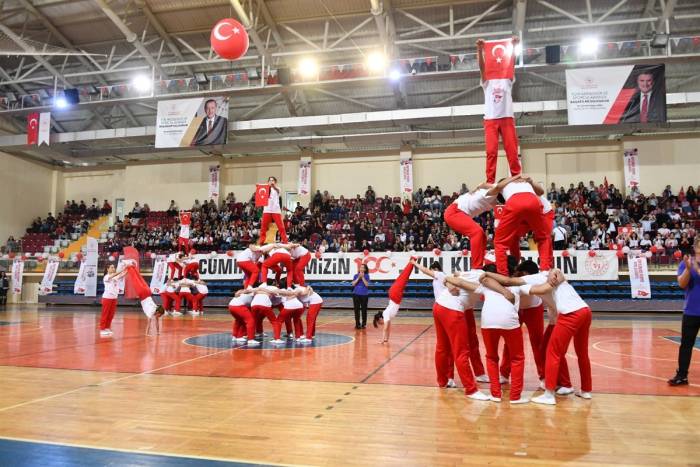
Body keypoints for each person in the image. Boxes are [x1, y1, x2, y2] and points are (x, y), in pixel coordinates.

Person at [520, 269, 592, 405]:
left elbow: (512, 281)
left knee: (552, 353)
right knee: (582, 354)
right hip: (585, 310)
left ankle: (549, 394)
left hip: (569, 314)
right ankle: (586, 390)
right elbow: (556, 270)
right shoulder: (555, 275)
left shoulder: (538, 279)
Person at [411, 259, 489, 384]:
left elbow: (428, 271)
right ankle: (450, 377)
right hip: (448, 307)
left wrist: (414, 263)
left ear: (435, 269)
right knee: (451, 347)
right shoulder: (448, 276)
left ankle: (477, 374)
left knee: (469, 343)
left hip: (460, 306)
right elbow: (456, 276)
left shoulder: (441, 275)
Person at [475, 266, 529, 404]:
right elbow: (539, 289)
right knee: (517, 358)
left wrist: (449, 279)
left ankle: (495, 394)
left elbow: (472, 281)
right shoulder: (517, 284)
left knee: (491, 357)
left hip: (488, 321)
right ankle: (515, 396)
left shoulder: (486, 284)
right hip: (509, 321)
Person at [432, 275, 490, 401]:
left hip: (439, 305)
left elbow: (446, 277)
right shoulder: (485, 279)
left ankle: (443, 381)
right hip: (453, 309)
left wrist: (449, 283)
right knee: (461, 351)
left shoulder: (468, 272)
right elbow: (455, 280)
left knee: (442, 347)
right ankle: (471, 389)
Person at [476, 36, 521, 183]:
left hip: (507, 117)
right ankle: (490, 181)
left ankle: (516, 177)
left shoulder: (507, 79)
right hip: (490, 119)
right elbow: (482, 67)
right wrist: (480, 49)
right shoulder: (487, 81)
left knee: (512, 151)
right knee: (491, 152)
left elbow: (511, 64)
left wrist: (513, 47)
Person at [443, 177, 514, 270]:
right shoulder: (491, 193)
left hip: (458, 212)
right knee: (477, 232)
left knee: (482, 236)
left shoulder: (492, 197)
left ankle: (482, 262)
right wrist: (515, 179)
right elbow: (498, 186)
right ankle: (476, 267)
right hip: (454, 212)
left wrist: (477, 188)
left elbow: (482, 184)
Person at [494, 175, 551, 276]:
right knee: (515, 236)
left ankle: (503, 275)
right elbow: (541, 192)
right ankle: (541, 270)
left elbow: (491, 189)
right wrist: (531, 181)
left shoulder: (507, 185)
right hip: (534, 206)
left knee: (500, 241)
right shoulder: (523, 181)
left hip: (544, 212)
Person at [669, 239, 700, 386]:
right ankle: (682, 375)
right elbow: (682, 284)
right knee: (686, 345)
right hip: (691, 311)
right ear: (695, 247)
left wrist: (697, 269)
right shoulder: (686, 263)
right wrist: (688, 269)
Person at [372, 258, 417, 343]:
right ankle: (413, 261)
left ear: (380, 319)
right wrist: (386, 339)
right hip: (395, 295)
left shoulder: (385, 315)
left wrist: (381, 340)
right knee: (404, 277)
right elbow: (388, 328)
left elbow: (385, 328)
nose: (382, 324)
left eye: (379, 323)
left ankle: (413, 260)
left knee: (404, 276)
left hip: (394, 295)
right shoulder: (386, 315)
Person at [123, 262, 165, 335]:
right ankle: (128, 267)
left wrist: (158, 332)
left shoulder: (156, 307)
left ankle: (132, 267)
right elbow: (149, 324)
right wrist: (146, 334)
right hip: (142, 294)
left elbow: (157, 323)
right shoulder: (151, 312)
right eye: (160, 315)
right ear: (158, 313)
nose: (159, 317)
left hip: (148, 292)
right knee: (134, 279)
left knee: (139, 278)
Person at [99, 264, 128, 338]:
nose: (113, 268)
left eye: (114, 267)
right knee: (105, 314)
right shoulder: (106, 277)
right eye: (111, 267)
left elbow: (123, 274)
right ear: (107, 269)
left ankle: (107, 328)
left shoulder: (115, 277)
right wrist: (121, 270)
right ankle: (102, 329)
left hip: (114, 298)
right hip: (107, 298)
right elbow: (115, 275)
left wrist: (129, 268)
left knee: (111, 315)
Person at [259, 176, 288, 244]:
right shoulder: (265, 189)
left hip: (276, 210)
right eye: (270, 180)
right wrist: (258, 187)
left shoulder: (278, 188)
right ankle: (261, 242)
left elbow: (277, 191)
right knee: (263, 228)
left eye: (272, 180)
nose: (271, 181)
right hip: (267, 210)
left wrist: (273, 186)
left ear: (275, 182)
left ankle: (285, 242)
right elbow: (260, 193)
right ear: (268, 182)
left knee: (281, 227)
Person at [352, 263, 370, 329]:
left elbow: (367, 285)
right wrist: (358, 278)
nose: (361, 268)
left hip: (364, 295)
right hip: (356, 294)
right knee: (356, 310)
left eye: (363, 268)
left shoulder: (367, 276)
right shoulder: (355, 275)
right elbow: (353, 284)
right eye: (360, 267)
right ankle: (357, 324)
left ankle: (364, 324)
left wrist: (362, 277)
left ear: (365, 269)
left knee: (364, 310)